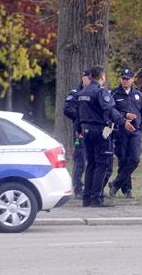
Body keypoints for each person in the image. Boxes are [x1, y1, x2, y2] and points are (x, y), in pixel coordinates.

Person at [77, 65, 135, 207]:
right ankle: (96, 198)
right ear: (102, 76)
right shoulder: (100, 92)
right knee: (102, 165)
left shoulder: (82, 92)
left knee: (91, 164)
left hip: (85, 132)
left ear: (90, 77)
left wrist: (78, 130)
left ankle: (87, 198)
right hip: (99, 132)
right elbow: (110, 110)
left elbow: (78, 115)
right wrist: (123, 122)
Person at [108, 68, 142, 199]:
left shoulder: (139, 94)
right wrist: (124, 115)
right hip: (121, 131)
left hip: (135, 131)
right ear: (121, 79)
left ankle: (115, 183)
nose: (125, 81)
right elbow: (110, 111)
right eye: (123, 78)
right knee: (123, 160)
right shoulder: (114, 94)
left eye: (128, 78)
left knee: (135, 158)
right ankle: (127, 190)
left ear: (132, 79)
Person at [63, 69, 90, 199]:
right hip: (81, 131)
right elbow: (67, 109)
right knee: (80, 160)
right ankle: (77, 188)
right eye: (87, 78)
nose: (89, 80)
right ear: (82, 78)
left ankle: (92, 188)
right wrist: (81, 117)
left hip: (95, 131)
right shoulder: (75, 93)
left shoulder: (96, 92)